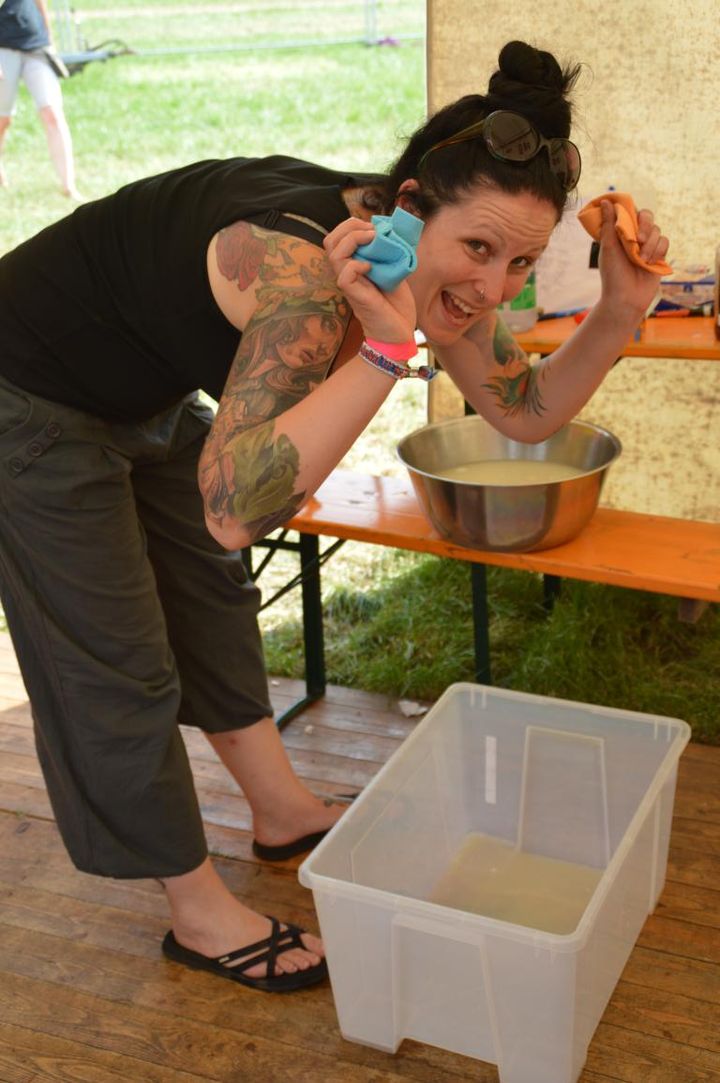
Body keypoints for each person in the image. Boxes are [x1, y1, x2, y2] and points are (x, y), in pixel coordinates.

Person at [0, 40, 669, 992]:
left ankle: (280, 810)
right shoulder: (308, 277)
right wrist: (385, 354)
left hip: (137, 386)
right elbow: (235, 513)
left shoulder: (421, 253)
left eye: (522, 260)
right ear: (408, 204)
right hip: (25, 388)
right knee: (114, 662)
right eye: (479, 250)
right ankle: (197, 911)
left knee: (211, 596)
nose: (493, 289)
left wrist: (619, 309)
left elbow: (522, 412)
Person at [0, 0, 82, 198]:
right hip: (3, 47)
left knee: (52, 113)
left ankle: (68, 186)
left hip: (36, 44)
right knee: (3, 119)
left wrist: (49, 37)